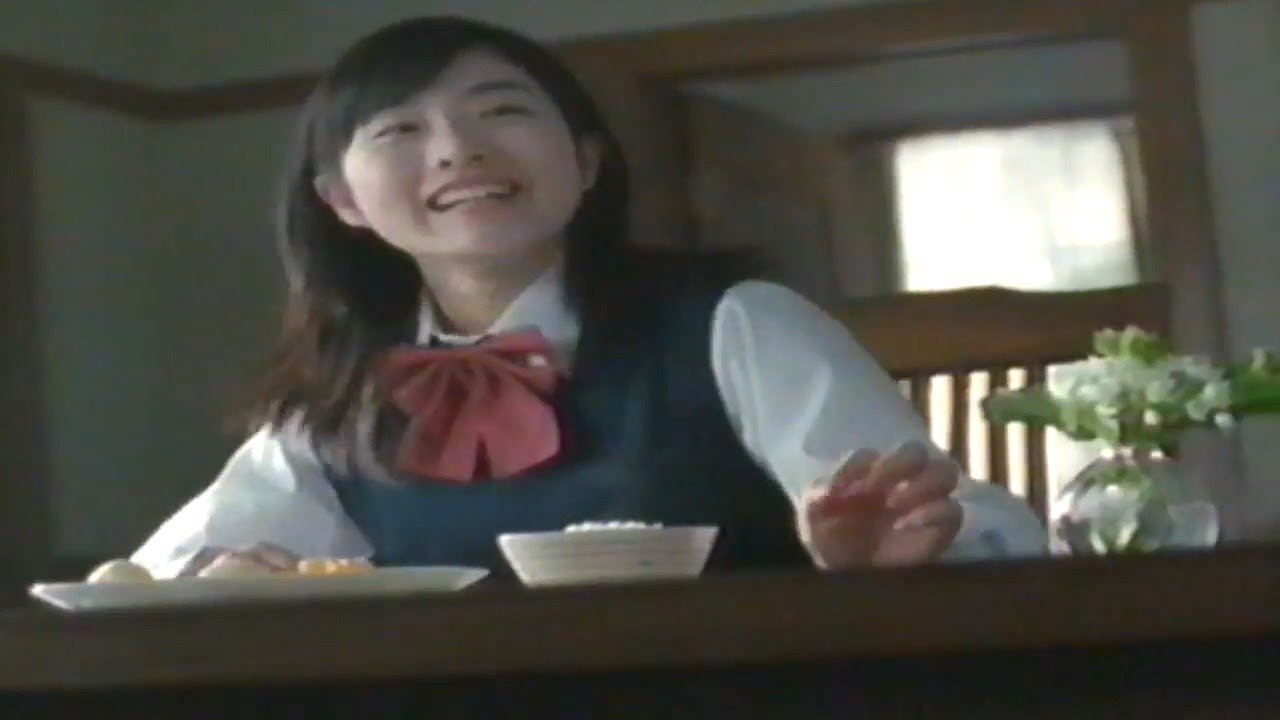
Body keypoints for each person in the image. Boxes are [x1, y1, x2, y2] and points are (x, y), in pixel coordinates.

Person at [132, 16, 1046, 579]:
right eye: (400, 128)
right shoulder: (336, 404)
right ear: (343, 202)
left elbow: (990, 536)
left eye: (502, 109)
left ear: (587, 160)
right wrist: (226, 578)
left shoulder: (739, 324)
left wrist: (894, 554)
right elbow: (154, 579)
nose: (456, 149)